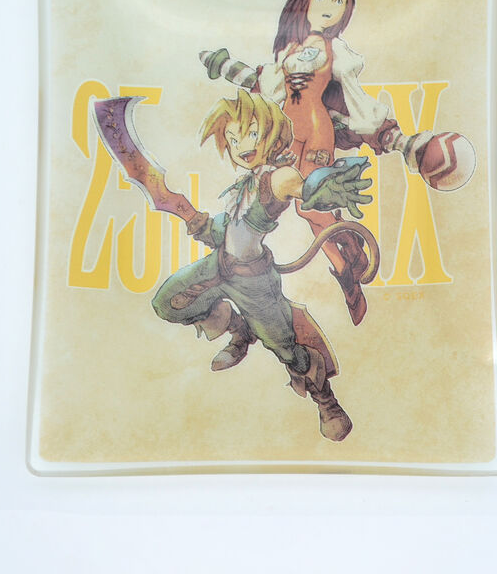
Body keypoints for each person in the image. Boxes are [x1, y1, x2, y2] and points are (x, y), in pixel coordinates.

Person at [201, 0, 423, 326]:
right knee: (292, 199)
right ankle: (347, 249)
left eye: (339, 2)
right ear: (306, 0)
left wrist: (378, 128)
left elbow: (353, 95)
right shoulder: (288, 48)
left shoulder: (338, 51)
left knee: (311, 206)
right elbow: (270, 89)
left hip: (318, 130)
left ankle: (346, 272)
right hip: (288, 133)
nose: (330, 7)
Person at [151, 90, 373, 442]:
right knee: (168, 302)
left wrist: (323, 188)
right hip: (219, 268)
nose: (242, 145)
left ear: (272, 131)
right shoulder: (244, 184)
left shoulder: (277, 177)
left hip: (255, 283)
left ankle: (325, 399)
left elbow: (302, 188)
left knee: (286, 349)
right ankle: (239, 329)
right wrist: (198, 223)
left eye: (251, 133)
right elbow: (230, 230)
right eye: (233, 138)